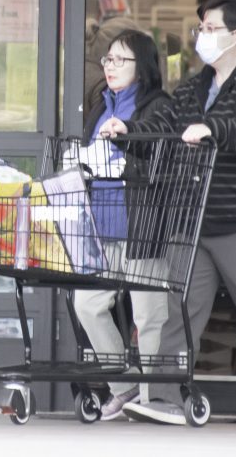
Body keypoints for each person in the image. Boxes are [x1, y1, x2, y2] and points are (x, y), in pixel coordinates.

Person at [103, 0, 236, 428]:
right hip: (195, 218)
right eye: (201, 29)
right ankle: (163, 399)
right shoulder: (196, 87)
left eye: (211, 29)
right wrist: (130, 131)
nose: (202, 36)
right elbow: (166, 130)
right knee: (182, 308)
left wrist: (214, 128)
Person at [73, 30, 170, 421]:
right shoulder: (100, 105)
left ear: (142, 66)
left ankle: (150, 400)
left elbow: (163, 153)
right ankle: (123, 384)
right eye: (108, 60)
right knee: (88, 304)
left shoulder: (156, 105)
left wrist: (129, 136)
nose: (110, 67)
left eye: (120, 60)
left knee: (148, 315)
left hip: (141, 225)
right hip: (102, 225)